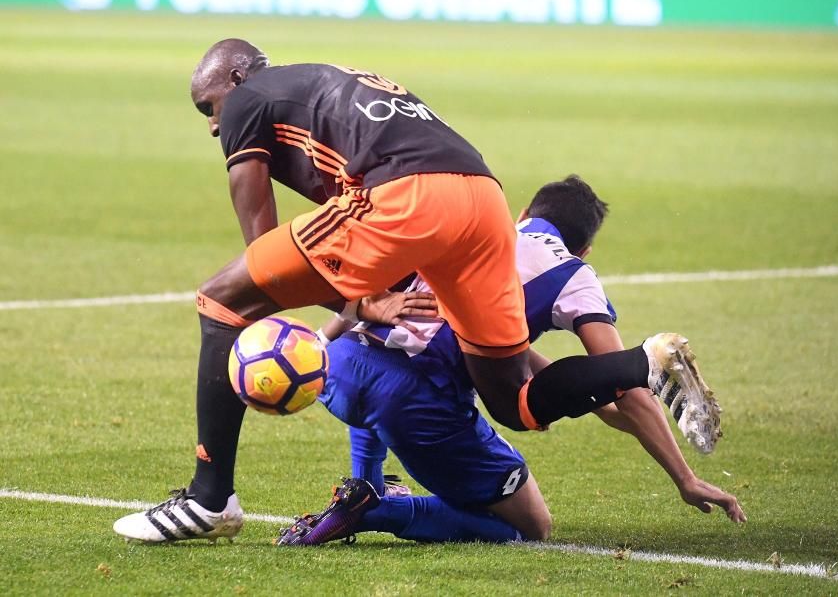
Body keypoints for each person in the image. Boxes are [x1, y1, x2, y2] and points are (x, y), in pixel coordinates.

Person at [112, 40, 718, 543]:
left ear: (238, 77)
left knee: (222, 299)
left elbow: (262, 250)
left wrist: (350, 304)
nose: (214, 122)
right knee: (515, 401)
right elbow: (352, 228)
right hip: (482, 196)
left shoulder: (248, 100)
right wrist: (365, 296)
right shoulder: (322, 86)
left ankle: (210, 498)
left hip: (409, 193)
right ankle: (647, 359)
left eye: (207, 106)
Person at [274, 176, 742, 546]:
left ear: (524, 214)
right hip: (416, 403)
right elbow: (628, 389)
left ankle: (364, 484)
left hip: (337, 366)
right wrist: (684, 477)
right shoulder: (574, 274)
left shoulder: (480, 222)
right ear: (584, 250)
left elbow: (515, 351)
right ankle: (376, 510)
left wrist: (594, 400)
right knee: (531, 525)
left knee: (393, 365)